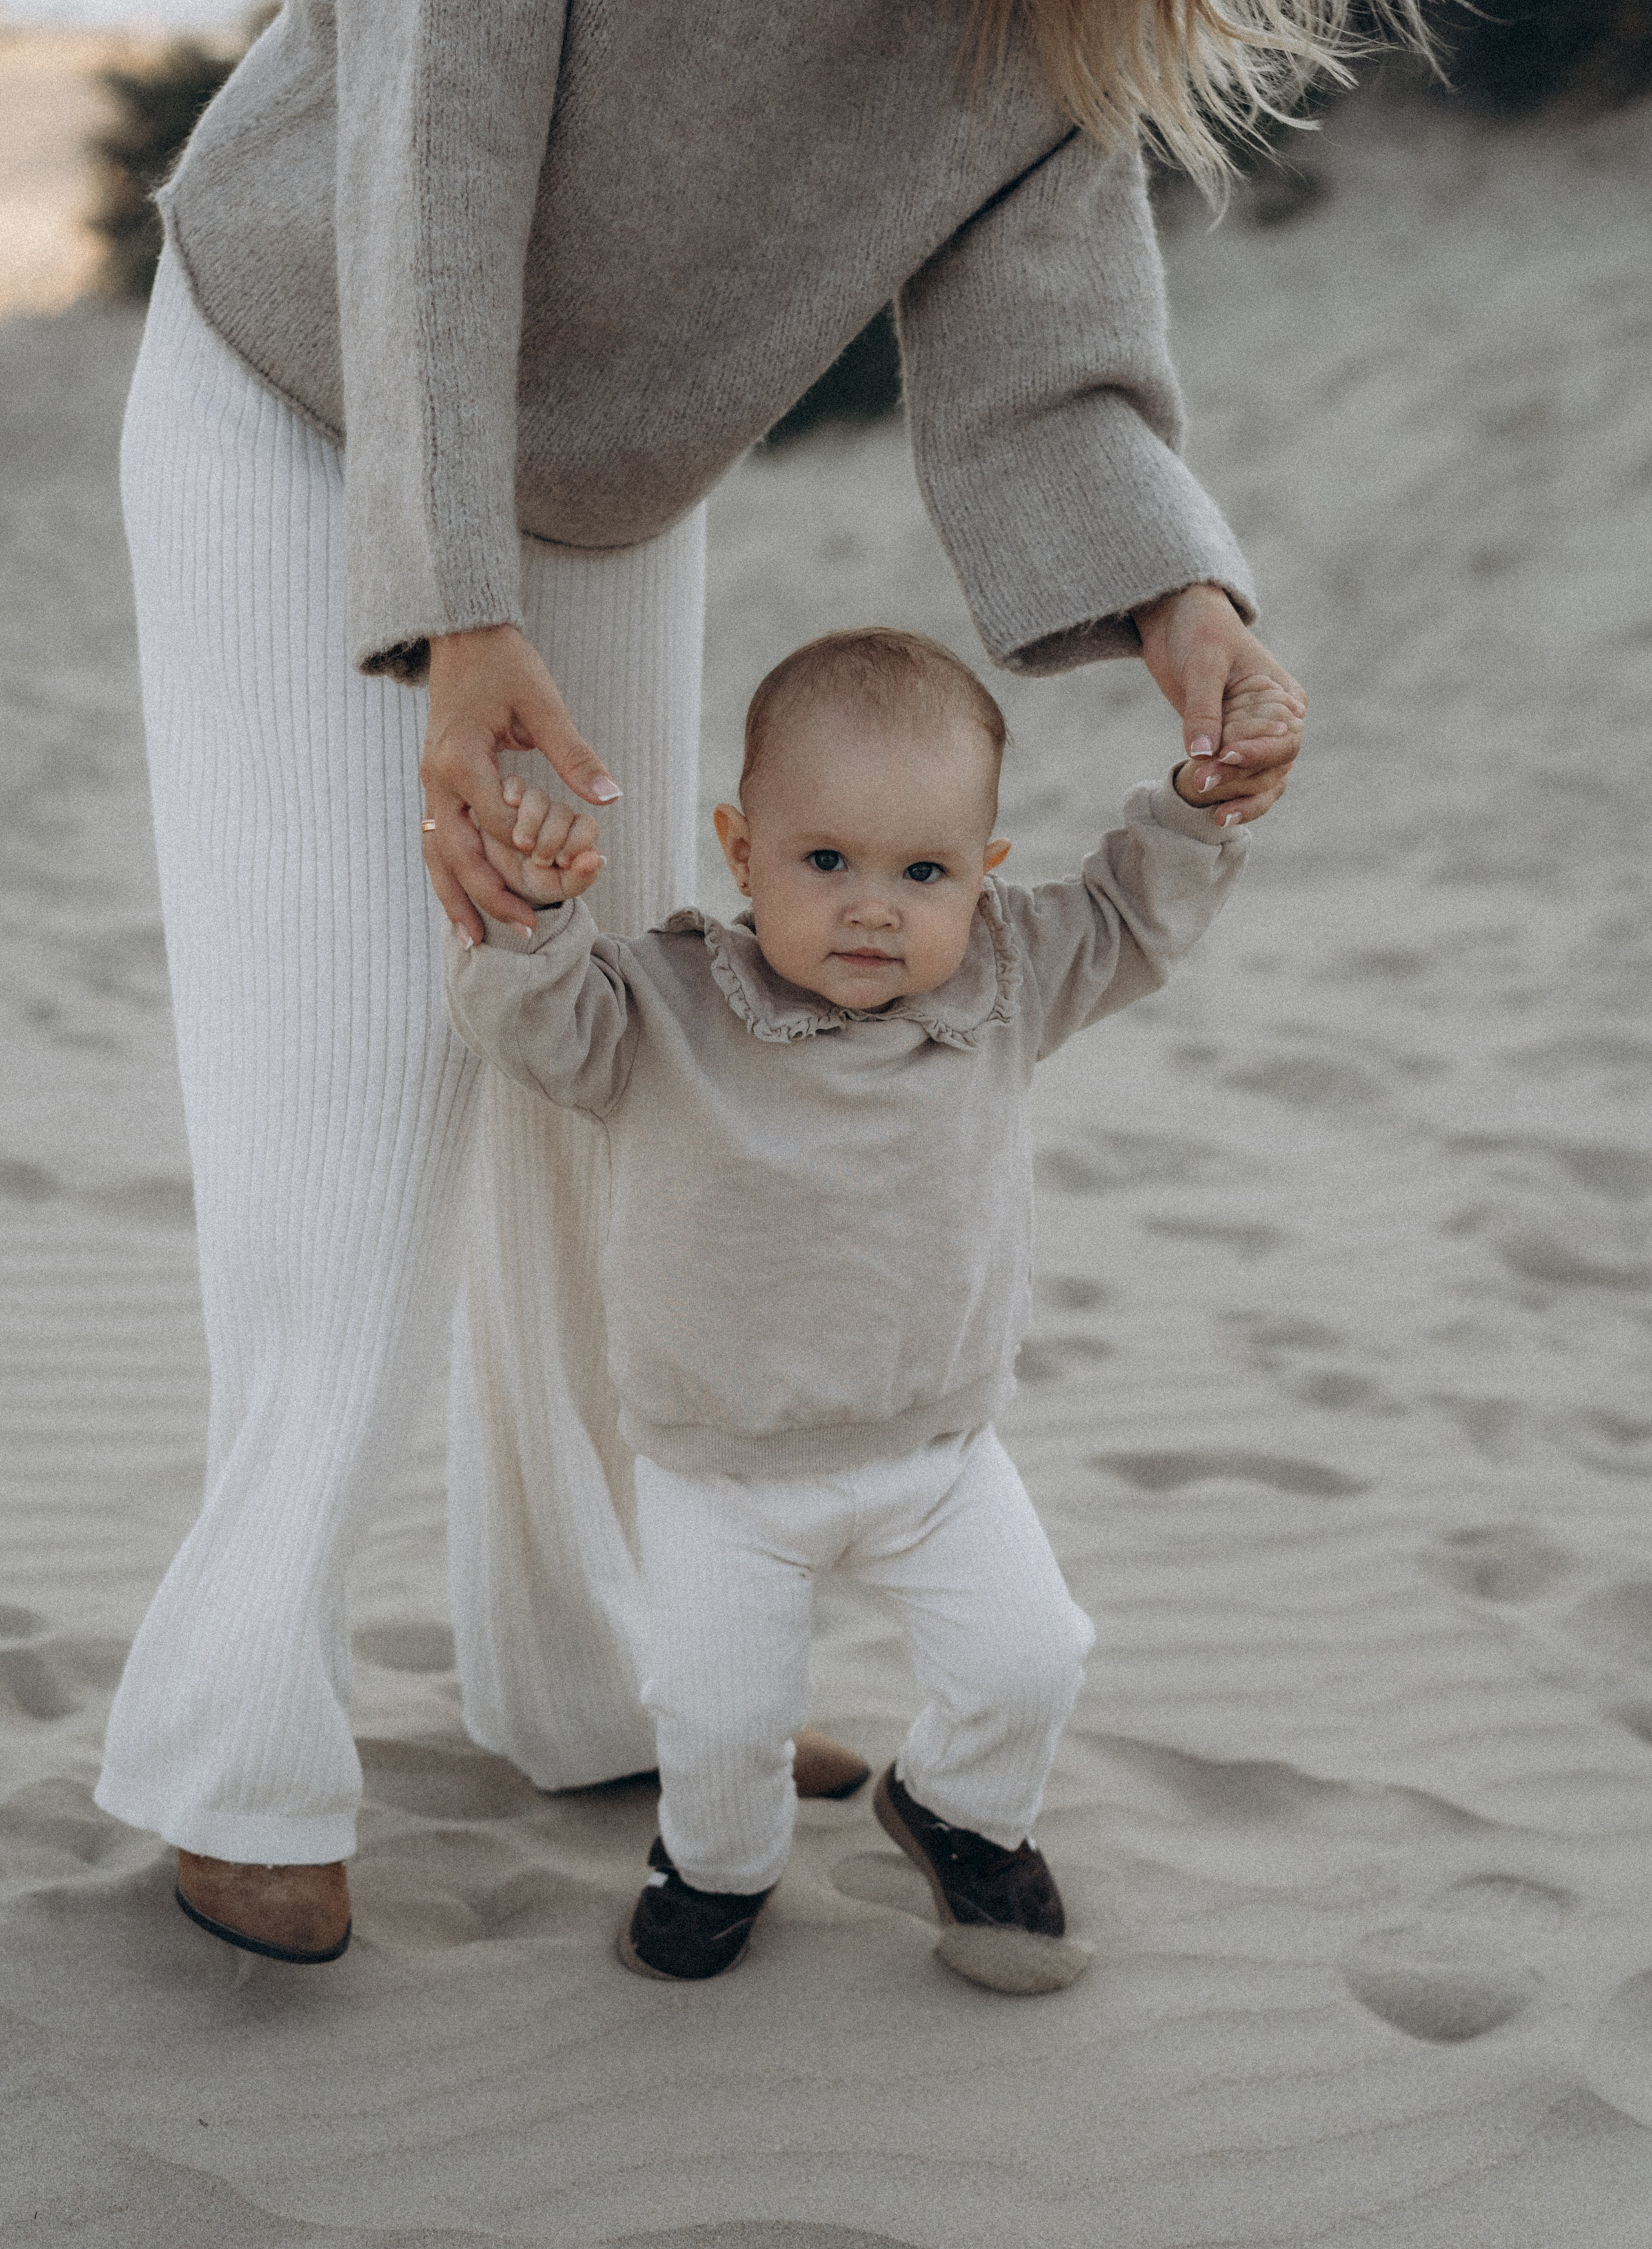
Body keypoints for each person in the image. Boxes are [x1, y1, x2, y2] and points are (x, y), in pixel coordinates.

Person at [95, 0, 1413, 1962]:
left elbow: (1041, 291)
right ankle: (228, 1737)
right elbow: (426, 145)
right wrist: (452, 606)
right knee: (353, 1126)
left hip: (609, 479)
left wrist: (1185, 596)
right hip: (319, 406)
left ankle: (590, 1672)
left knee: (595, 1083)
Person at [442, 629, 1300, 1988]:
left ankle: (959, 1807)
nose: (870, 908)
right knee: (720, 1718)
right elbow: (539, 1030)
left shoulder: (1005, 978)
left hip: (938, 1458)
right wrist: (538, 919)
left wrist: (1196, 809)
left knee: (1029, 1662)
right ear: (740, 850)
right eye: (823, 861)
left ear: (982, 878)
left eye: (922, 873)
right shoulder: (667, 1004)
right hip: (719, 1470)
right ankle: (715, 1866)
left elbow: (1134, 914)